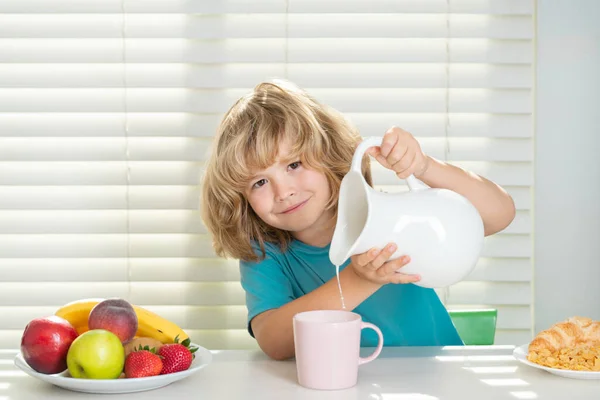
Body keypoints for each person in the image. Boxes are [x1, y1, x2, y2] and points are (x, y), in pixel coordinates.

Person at [201, 79, 516, 360]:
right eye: (259, 182)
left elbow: (498, 215)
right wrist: (358, 280)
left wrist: (422, 166)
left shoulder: (381, 216)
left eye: (294, 164)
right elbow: (274, 342)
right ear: (240, 200)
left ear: (328, 154)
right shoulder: (266, 254)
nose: (283, 192)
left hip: (436, 378)